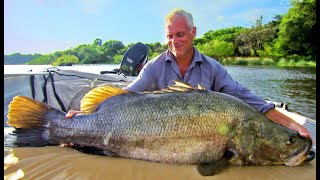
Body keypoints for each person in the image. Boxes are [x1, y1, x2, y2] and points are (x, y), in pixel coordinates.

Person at [65, 8, 312, 142]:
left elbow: (244, 96)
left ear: (193, 33)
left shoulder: (213, 68)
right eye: (170, 36)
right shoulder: (153, 66)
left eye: (180, 34)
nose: (174, 41)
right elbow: (126, 95)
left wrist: (290, 123)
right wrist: (84, 116)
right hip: (156, 135)